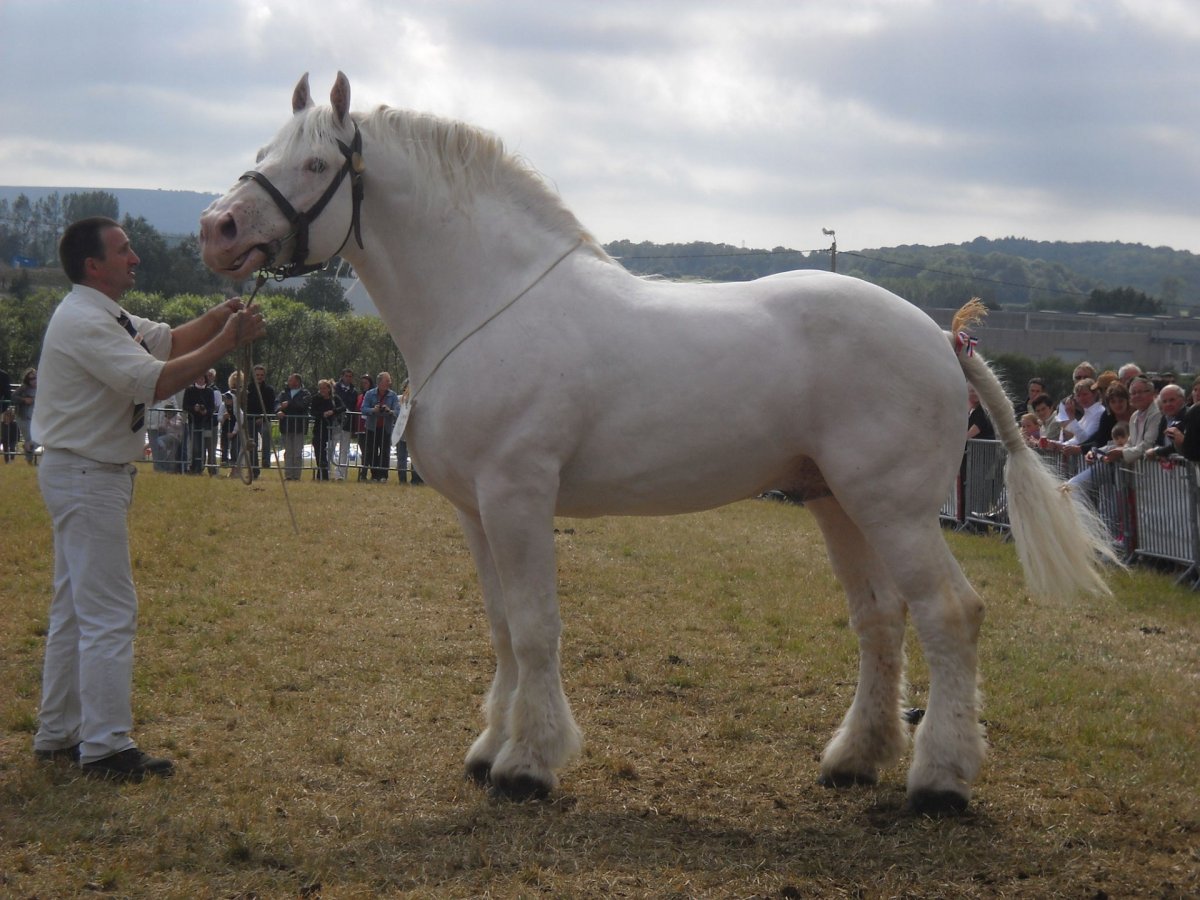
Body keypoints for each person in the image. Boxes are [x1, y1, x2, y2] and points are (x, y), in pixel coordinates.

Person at [31, 216, 266, 781]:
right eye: (124, 250)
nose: (135, 258)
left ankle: (59, 732)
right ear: (94, 266)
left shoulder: (99, 312)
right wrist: (226, 341)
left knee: (73, 611)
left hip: (83, 472)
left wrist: (216, 318)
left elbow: (162, 340)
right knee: (110, 614)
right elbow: (153, 381)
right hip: (89, 475)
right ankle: (106, 747)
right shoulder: (87, 320)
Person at [360, 371, 400, 481]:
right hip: (372, 428)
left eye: (389, 381)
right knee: (372, 452)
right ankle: (374, 475)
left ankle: (383, 475)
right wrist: (373, 410)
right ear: (380, 382)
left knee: (385, 452)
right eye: (387, 381)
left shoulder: (393, 395)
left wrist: (389, 411)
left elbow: (397, 411)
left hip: (385, 429)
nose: (389, 383)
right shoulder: (369, 394)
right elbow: (363, 409)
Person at [276, 373, 312, 481]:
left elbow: (302, 405)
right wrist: (278, 410)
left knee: (297, 453)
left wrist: (289, 404)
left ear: (297, 382)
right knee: (288, 453)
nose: (289, 382)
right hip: (286, 427)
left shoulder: (305, 393)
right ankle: (288, 475)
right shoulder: (284, 393)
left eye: (291, 380)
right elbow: (276, 403)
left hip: (299, 427)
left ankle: (296, 476)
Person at [1118, 377, 1161, 465]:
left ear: (1152, 393)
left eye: (1141, 392)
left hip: (1156, 470)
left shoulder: (1157, 414)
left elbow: (1148, 445)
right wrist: (1120, 450)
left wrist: (1121, 453)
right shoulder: (1134, 416)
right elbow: (1130, 442)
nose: (1137, 396)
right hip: (1140, 471)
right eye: (1133, 393)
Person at [309, 378, 345, 481]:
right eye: (320, 388)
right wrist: (322, 414)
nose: (322, 390)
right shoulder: (316, 398)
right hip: (319, 428)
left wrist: (333, 411)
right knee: (319, 450)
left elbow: (343, 407)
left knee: (327, 452)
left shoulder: (335, 398)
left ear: (329, 389)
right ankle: (322, 474)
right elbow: (312, 412)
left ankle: (325, 474)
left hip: (332, 428)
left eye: (324, 388)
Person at [244, 364, 276, 478]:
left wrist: (262, 418)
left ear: (264, 376)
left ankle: (266, 460)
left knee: (267, 435)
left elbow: (271, 408)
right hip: (250, 420)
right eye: (257, 375)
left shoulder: (269, 390)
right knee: (252, 444)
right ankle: (254, 469)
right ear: (254, 375)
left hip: (264, 420)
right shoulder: (248, 388)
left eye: (262, 375)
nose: (259, 377)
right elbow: (244, 406)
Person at [182, 374, 214, 474]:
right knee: (195, 446)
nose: (200, 380)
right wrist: (193, 408)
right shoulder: (189, 390)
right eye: (198, 378)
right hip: (193, 422)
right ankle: (195, 467)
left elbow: (211, 407)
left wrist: (206, 412)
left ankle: (201, 467)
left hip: (206, 423)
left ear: (205, 380)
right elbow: (185, 406)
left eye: (202, 378)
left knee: (204, 446)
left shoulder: (209, 391)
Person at [331, 368, 358, 480]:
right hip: (334, 423)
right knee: (330, 448)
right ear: (342, 376)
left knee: (344, 450)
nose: (348, 378)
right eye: (346, 376)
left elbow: (353, 407)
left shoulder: (354, 391)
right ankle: (328, 472)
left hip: (347, 424)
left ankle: (340, 475)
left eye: (350, 376)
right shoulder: (334, 388)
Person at [1146, 384, 1186, 461]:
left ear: (1182, 400)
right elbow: (1159, 441)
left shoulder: (1188, 416)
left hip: (1184, 468)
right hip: (1167, 468)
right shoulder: (1164, 418)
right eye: (1164, 401)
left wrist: (1158, 451)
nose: (1168, 404)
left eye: (1172, 400)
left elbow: (1180, 444)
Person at [14, 367, 38, 463]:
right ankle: (29, 461)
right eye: (31, 379)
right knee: (30, 439)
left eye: (35, 377)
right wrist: (24, 400)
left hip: (35, 419)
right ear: (27, 380)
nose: (34, 380)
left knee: (35, 440)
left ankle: (27, 450)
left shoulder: (42, 387)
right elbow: (13, 397)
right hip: (23, 418)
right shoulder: (23, 388)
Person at [354, 373, 373, 481]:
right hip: (360, 428)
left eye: (366, 383)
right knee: (364, 451)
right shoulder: (360, 396)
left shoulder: (372, 395)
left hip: (369, 428)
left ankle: (365, 473)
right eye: (362, 383)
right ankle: (363, 473)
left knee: (368, 451)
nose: (364, 385)